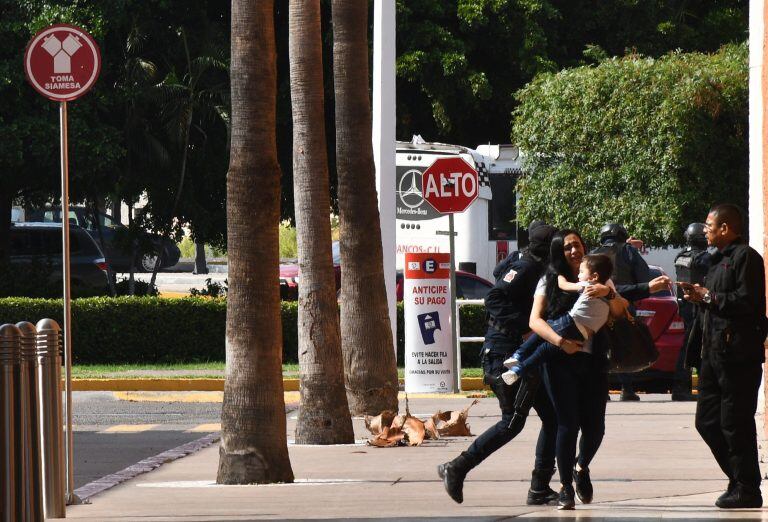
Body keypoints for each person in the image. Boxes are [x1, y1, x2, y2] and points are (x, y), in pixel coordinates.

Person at [529, 229, 670, 509]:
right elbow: (535, 321)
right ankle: (565, 486)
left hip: (594, 363)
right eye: (568, 247)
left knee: (596, 428)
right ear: (559, 251)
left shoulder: (600, 279)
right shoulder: (550, 280)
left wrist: (608, 292)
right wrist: (559, 341)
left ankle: (581, 467)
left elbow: (621, 309)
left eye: (577, 245)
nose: (574, 251)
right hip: (559, 362)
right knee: (567, 425)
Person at [437, 224, 559, 506]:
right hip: (504, 354)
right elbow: (494, 296)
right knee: (511, 423)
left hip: (522, 354)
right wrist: (525, 328)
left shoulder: (532, 264)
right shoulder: (527, 265)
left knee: (553, 419)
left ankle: (540, 487)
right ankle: (456, 468)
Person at [681, 204, 766, 509]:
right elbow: (713, 303)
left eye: (709, 226)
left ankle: (746, 488)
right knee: (706, 421)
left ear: (725, 229)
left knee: (735, 422)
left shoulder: (746, 258)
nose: (705, 232)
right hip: (711, 355)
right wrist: (698, 296)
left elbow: (747, 301)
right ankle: (739, 478)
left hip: (737, 356)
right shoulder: (716, 262)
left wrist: (709, 296)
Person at [501, 254, 619, 385]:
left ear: (594, 277)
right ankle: (518, 371)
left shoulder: (588, 286)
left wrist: (559, 274)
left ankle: (518, 355)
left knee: (544, 331)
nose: (579, 276)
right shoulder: (608, 294)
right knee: (545, 349)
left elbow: (563, 285)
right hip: (583, 335)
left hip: (570, 322)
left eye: (581, 272)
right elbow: (620, 307)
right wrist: (609, 292)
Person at [591, 223, 651, 401]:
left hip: (597, 305)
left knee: (600, 347)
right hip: (623, 302)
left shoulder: (593, 253)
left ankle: (602, 389)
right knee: (623, 344)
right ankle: (627, 388)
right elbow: (644, 276)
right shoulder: (628, 251)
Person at [671, 223, 711, 401]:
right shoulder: (704, 258)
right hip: (699, 306)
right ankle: (695, 387)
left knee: (688, 345)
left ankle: (682, 386)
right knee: (702, 346)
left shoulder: (681, 256)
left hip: (685, 307)